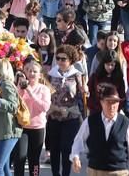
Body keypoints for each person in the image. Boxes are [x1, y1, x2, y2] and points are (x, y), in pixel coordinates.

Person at [70, 82, 129, 176]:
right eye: (108, 102)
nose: (112, 106)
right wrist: (75, 157)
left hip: (119, 172)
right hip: (95, 171)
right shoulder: (91, 121)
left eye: (115, 102)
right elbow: (78, 141)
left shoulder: (126, 123)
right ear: (102, 102)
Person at [47, 44, 85, 176]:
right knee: (54, 148)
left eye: (64, 59)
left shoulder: (77, 75)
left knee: (66, 148)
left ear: (71, 60)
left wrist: (85, 91)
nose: (60, 61)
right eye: (58, 58)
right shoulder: (51, 74)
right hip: (54, 116)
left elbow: (81, 97)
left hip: (70, 117)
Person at [13, 60, 51, 176]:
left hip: (37, 128)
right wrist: (20, 88)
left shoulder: (44, 89)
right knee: (19, 158)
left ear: (40, 74)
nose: (31, 73)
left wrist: (30, 92)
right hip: (22, 127)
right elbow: (15, 104)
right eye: (28, 71)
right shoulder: (20, 87)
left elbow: (44, 107)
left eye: (35, 71)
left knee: (34, 160)